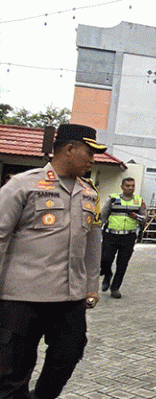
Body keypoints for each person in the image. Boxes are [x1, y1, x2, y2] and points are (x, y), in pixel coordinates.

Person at [0, 123, 106, 398]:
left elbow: (93, 243)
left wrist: (91, 285)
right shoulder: (23, 184)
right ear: (69, 149)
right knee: (13, 368)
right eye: (89, 152)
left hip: (69, 296)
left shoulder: (90, 193)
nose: (93, 160)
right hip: (22, 296)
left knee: (69, 353)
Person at [99, 177, 147, 298]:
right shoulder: (113, 198)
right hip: (111, 235)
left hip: (128, 237)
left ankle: (115, 288)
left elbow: (145, 218)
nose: (131, 188)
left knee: (122, 264)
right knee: (105, 259)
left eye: (132, 186)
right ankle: (107, 274)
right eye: (128, 185)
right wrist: (97, 231)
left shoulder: (139, 201)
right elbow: (103, 215)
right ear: (122, 187)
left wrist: (137, 217)